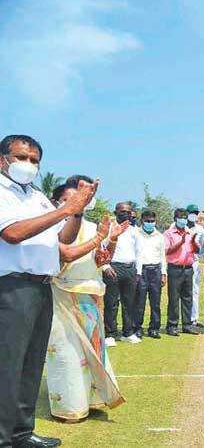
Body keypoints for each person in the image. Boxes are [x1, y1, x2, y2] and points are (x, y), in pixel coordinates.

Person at [0, 134, 96, 448]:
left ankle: (21, 433)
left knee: (31, 364)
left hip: (41, 287)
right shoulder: (2, 193)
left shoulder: (37, 196)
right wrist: (66, 207)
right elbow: (13, 233)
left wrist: (77, 212)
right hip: (12, 287)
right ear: (3, 159)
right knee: (9, 364)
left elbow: (62, 242)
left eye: (34, 160)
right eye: (21, 157)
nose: (28, 165)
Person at [47, 178, 126, 423]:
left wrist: (110, 241)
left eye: (83, 198)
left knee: (92, 350)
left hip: (90, 295)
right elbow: (65, 256)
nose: (79, 202)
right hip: (61, 294)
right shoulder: (53, 226)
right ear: (57, 202)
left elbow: (99, 261)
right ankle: (70, 407)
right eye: (71, 199)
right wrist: (98, 239)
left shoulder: (93, 227)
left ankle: (92, 400)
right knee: (67, 354)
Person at [102, 202, 141, 345]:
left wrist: (138, 271)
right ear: (115, 212)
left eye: (128, 212)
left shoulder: (134, 230)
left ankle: (128, 332)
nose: (126, 214)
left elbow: (139, 251)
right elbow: (101, 247)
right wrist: (105, 266)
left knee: (129, 302)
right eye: (122, 211)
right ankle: (110, 334)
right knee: (111, 302)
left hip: (130, 268)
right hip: (113, 267)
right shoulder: (109, 228)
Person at [163, 208, 201, 337]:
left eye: (185, 217)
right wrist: (181, 242)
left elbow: (196, 250)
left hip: (188, 268)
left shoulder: (190, 232)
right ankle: (172, 325)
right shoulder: (168, 233)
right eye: (180, 217)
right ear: (175, 219)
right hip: (175, 268)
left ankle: (187, 325)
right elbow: (167, 251)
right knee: (174, 298)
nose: (183, 219)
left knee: (187, 298)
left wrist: (194, 242)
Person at [135, 210, 167, 339]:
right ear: (141, 220)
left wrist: (164, 273)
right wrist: (137, 273)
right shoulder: (136, 234)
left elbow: (162, 256)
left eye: (152, 221)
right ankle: (137, 328)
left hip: (156, 270)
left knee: (155, 302)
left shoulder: (159, 235)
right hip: (141, 271)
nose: (150, 223)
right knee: (139, 301)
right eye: (147, 221)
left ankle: (154, 328)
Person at [185, 204, 204, 330]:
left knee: (194, 291)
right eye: (191, 212)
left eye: (195, 212)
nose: (193, 214)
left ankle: (193, 319)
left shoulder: (200, 229)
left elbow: (203, 246)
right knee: (180, 292)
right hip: (180, 263)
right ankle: (178, 319)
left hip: (194, 262)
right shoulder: (177, 226)